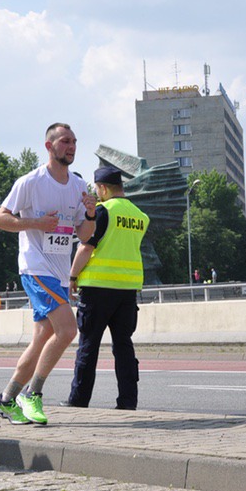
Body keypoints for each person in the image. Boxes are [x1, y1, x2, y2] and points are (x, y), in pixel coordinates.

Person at [0, 123, 96, 425]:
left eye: (74, 141)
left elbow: (85, 235)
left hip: (59, 274)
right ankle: (32, 393)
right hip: (35, 267)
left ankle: (6, 399)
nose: (71, 147)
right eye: (65, 141)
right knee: (68, 330)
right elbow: (0, 219)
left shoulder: (78, 186)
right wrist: (36, 223)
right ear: (49, 146)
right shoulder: (31, 182)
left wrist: (90, 213)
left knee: (42, 339)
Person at [66, 166, 149, 409]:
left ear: (102, 188)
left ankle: (79, 400)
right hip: (127, 291)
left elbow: (86, 247)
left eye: (97, 189)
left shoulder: (104, 211)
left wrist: (72, 277)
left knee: (88, 346)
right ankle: (128, 402)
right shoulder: (140, 216)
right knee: (123, 346)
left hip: (97, 289)